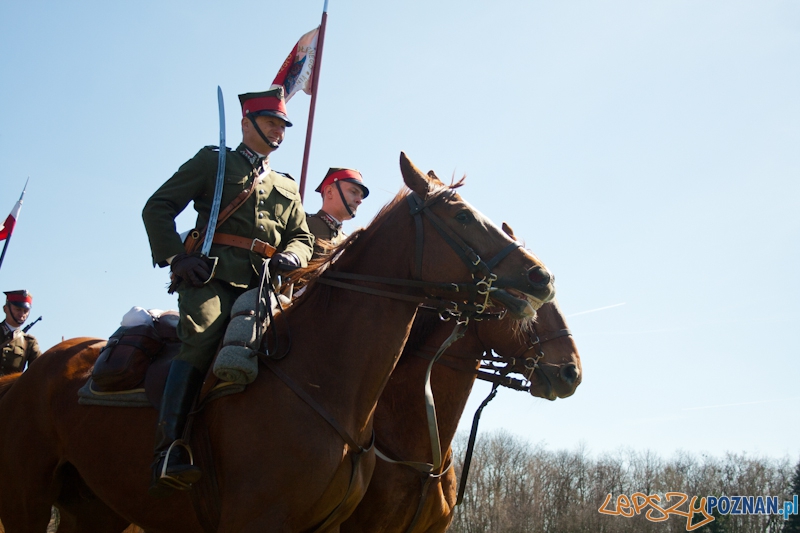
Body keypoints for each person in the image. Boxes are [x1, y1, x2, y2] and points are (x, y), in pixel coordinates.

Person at [141, 87, 314, 496]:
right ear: (246, 123)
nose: (279, 131)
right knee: (202, 336)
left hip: (263, 284)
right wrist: (175, 259)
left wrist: (292, 255)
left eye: (283, 125)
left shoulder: (288, 187)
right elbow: (157, 207)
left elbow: (302, 236)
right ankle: (169, 449)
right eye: (271, 122)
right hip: (211, 277)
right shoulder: (213, 162)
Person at [306, 168, 369, 252]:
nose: (359, 201)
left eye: (361, 196)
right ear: (329, 192)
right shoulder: (304, 225)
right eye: (353, 192)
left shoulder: (349, 244)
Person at [1, 290, 41, 377]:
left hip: (11, 389)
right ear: (5, 309)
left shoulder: (29, 342)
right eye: (18, 309)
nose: (22, 314)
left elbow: (40, 369)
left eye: (25, 311)